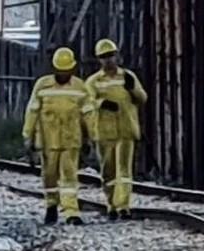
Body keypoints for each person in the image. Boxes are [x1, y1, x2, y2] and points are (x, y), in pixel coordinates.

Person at [23, 47, 95, 226]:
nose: (63, 74)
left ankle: (72, 211)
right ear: (54, 68)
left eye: (66, 71)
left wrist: (91, 136)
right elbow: (32, 111)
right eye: (60, 71)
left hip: (71, 139)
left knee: (69, 176)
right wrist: (27, 136)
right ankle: (51, 206)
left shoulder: (80, 87)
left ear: (72, 69)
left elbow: (88, 114)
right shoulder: (42, 85)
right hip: (48, 141)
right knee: (49, 176)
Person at [85, 38, 148, 220]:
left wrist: (132, 89)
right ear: (99, 59)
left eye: (110, 56)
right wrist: (101, 103)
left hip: (126, 129)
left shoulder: (127, 77)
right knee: (108, 172)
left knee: (124, 171)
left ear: (116, 56)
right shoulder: (93, 81)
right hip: (104, 132)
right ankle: (111, 203)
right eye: (104, 57)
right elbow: (86, 102)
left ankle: (123, 206)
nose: (108, 60)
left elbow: (142, 98)